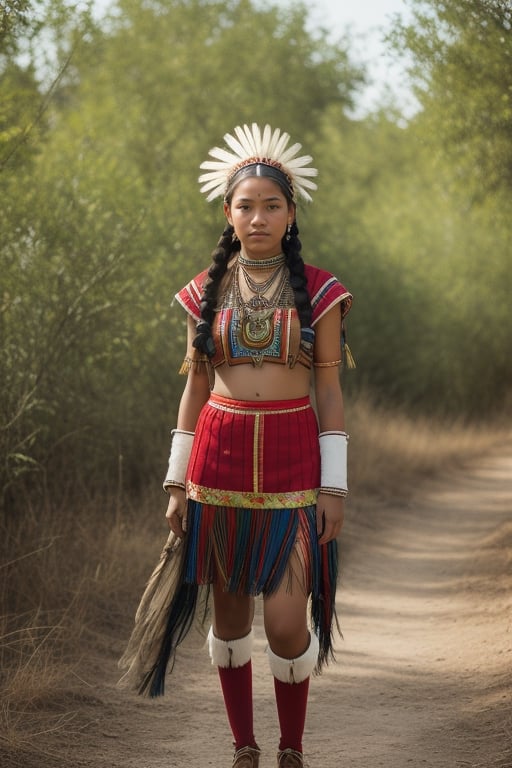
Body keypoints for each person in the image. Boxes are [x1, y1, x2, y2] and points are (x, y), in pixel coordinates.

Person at [158, 124, 352, 768]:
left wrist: (334, 485)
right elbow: (195, 390)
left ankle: (291, 747)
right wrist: (177, 481)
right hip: (217, 463)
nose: (259, 216)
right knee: (232, 618)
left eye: (272, 205)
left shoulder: (322, 293)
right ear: (227, 212)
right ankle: (244, 747)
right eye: (246, 205)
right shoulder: (202, 293)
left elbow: (329, 393)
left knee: (288, 623)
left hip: (297, 468)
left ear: (291, 213)